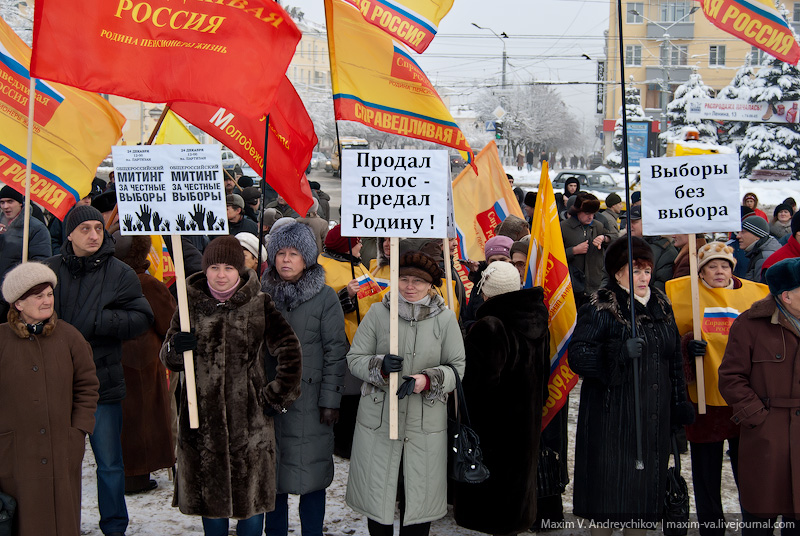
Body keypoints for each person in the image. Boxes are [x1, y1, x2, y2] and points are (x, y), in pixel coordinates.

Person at [160, 236, 302, 536]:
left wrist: (275, 396)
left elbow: (289, 348)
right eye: (214, 267)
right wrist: (175, 347)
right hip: (201, 425)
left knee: (250, 504)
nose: (221, 274)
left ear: (240, 269)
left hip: (248, 425)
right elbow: (168, 359)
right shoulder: (189, 306)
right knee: (210, 504)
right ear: (205, 269)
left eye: (228, 267)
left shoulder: (259, 304)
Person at [569, 236, 693, 531]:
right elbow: (578, 356)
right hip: (612, 422)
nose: (643, 277)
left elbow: (673, 359)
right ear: (617, 272)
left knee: (643, 503)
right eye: (635, 270)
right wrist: (619, 353)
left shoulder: (661, 303)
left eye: (647, 270)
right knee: (611, 501)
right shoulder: (601, 304)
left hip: (653, 419)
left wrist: (678, 404)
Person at [46, 206, 153, 536]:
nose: (94, 235)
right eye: (85, 229)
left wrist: (100, 322)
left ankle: (114, 526)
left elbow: (141, 318)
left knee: (109, 464)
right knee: (62, 465)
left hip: (102, 381)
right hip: (56, 384)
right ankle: (63, 523)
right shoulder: (48, 269)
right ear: (70, 234)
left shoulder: (120, 272)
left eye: (97, 228)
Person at [345, 251, 465, 536]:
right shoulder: (377, 313)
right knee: (379, 498)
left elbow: (458, 369)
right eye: (404, 279)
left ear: (430, 285)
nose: (410, 286)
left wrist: (428, 379)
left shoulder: (445, 319)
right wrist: (380, 366)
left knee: (418, 500)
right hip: (380, 421)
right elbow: (354, 358)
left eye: (418, 281)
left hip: (424, 425)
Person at [666, 242, 769, 536]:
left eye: (724, 265)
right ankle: (712, 527)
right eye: (712, 266)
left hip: (743, 400)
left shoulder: (754, 296)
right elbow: (670, 344)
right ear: (701, 271)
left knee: (748, 471)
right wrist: (687, 346)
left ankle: (755, 525)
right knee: (706, 472)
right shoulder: (686, 295)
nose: (719, 271)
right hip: (704, 399)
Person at [261, 222, 348, 536]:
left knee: (312, 478)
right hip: (269, 402)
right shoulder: (262, 294)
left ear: (307, 258)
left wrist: (330, 401)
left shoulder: (324, 298)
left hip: (311, 405)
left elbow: (336, 351)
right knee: (272, 480)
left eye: (294, 253)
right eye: (280, 253)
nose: (286, 260)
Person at [0, 262, 99, 536]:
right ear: (18, 303)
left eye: (49, 294)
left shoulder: (69, 337)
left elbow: (87, 386)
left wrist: (78, 431)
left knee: (62, 521)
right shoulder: (1, 340)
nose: (47, 301)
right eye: (38, 296)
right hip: (14, 453)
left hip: (61, 447)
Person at [452, 261, 549, 535]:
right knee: (515, 498)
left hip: (493, 430)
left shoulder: (490, 327)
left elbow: (475, 385)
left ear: (487, 291)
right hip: (526, 423)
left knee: (491, 508)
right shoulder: (538, 320)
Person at [719, 257, 800, 532]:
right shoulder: (750, 325)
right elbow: (731, 378)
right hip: (767, 437)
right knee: (759, 520)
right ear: (786, 296)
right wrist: (757, 418)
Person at [113, 235, 177, 495]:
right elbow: (169, 322)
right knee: (143, 420)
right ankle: (137, 475)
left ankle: (129, 473)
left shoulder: (109, 279)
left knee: (125, 420)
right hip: (143, 359)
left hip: (117, 357)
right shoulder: (147, 283)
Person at [318, 224, 384, 458]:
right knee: (347, 395)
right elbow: (322, 308)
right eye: (356, 241)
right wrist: (345, 296)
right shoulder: (324, 268)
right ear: (345, 245)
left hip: (363, 340)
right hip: (342, 341)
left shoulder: (356, 264)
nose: (361, 245)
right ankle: (342, 444)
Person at [0, 185, 52, 317]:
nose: (5, 206)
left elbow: (40, 264)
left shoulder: (35, 228)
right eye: (2, 202)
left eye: (10, 201)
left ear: (21, 203)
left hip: (16, 299)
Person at [561, 192, 607, 307]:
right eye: (587, 213)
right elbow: (553, 256)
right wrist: (573, 251)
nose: (590, 217)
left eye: (593, 213)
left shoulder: (598, 226)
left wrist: (604, 238)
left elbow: (615, 238)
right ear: (577, 211)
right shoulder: (563, 227)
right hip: (572, 287)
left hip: (594, 285)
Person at [627, 205, 678, 292]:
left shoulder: (665, 250)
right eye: (628, 221)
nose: (629, 225)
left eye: (634, 222)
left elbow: (662, 284)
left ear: (647, 223)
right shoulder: (620, 246)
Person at [738, 216, 781, 282]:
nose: (738, 236)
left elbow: (761, 289)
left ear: (757, 236)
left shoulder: (764, 258)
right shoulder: (758, 252)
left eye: (743, 232)